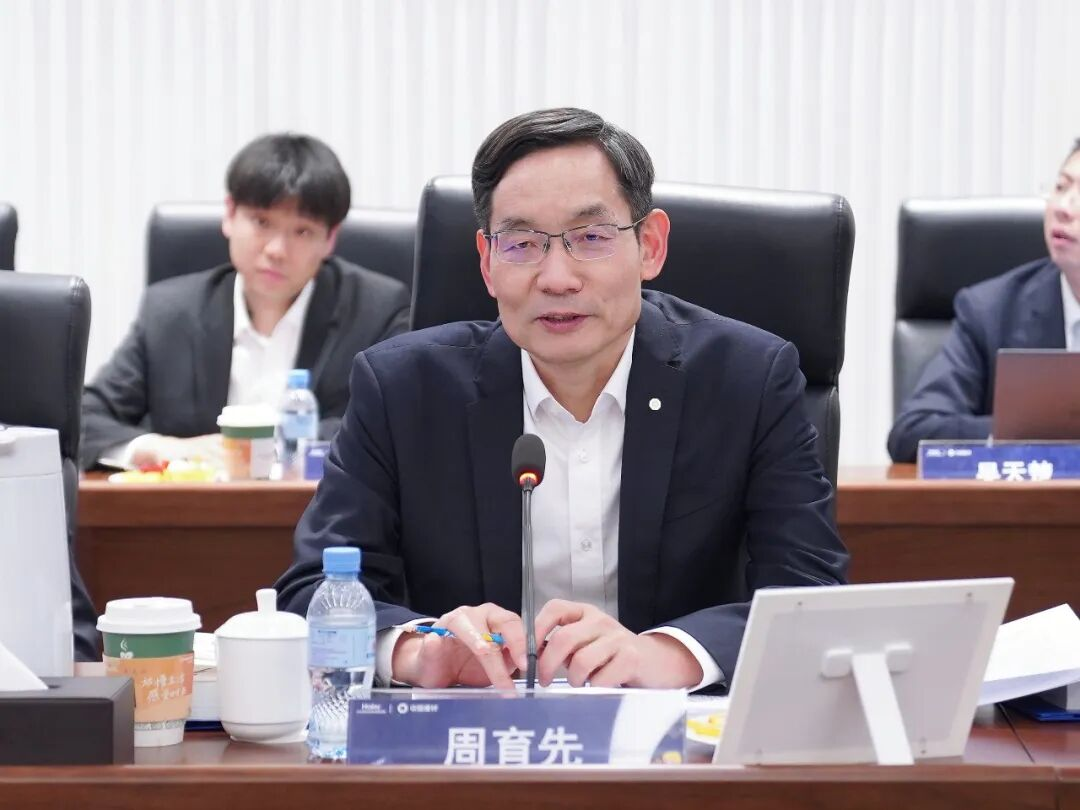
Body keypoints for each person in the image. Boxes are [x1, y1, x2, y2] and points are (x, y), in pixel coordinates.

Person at [275, 108, 848, 691]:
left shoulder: (748, 380)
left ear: (650, 246)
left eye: (591, 238)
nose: (556, 278)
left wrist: (669, 654)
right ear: (487, 263)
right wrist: (418, 651)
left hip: (677, 729)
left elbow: (810, 591)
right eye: (521, 243)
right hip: (480, 725)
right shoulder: (401, 390)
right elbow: (312, 591)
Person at [80, 133, 411, 470]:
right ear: (229, 214)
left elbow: (394, 422)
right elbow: (84, 416)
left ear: (330, 239)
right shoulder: (169, 313)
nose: (276, 250)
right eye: (262, 222)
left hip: (320, 502)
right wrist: (158, 448)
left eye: (302, 231)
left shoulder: (376, 312)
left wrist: (267, 450)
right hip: (194, 502)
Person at [888, 139, 1080, 463]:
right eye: (1061, 187)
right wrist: (1029, 434)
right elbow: (913, 430)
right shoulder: (992, 310)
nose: (1063, 206)